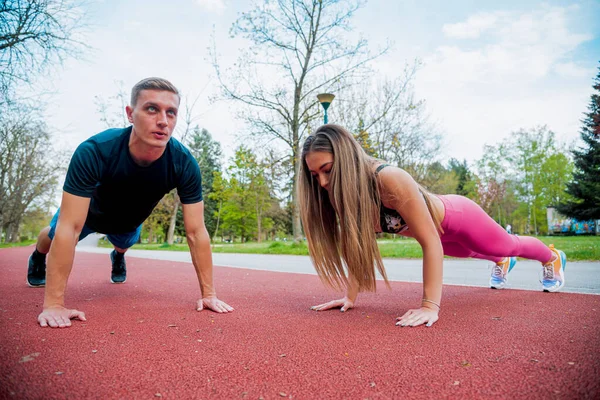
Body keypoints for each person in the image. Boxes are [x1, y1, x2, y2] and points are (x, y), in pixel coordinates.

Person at [298, 124, 566, 328]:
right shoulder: (345, 197)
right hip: (442, 235)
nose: (322, 182)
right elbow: (358, 247)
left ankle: (552, 257)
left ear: (345, 158)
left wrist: (429, 307)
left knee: (509, 245)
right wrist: (350, 298)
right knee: (471, 252)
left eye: (328, 169)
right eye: (315, 174)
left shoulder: (388, 178)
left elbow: (430, 243)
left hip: (460, 217)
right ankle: (501, 262)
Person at [27, 77, 233, 328]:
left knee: (124, 243)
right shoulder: (95, 150)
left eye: (171, 112)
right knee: (53, 234)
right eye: (151, 109)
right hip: (88, 214)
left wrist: (208, 294)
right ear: (130, 114)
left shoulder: (183, 163)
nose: (163, 121)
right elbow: (70, 227)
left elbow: (196, 231)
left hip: (128, 221)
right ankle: (37, 256)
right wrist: (54, 304)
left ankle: (118, 256)